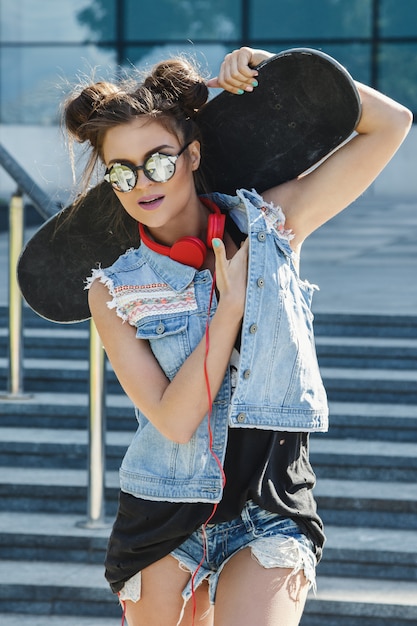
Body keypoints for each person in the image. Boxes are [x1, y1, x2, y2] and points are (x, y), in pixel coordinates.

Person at [63, 46, 412, 626]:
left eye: (159, 160)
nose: (142, 182)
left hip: (269, 507)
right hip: (164, 512)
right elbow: (175, 422)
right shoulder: (114, 291)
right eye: (122, 170)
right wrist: (230, 312)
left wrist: (279, 68)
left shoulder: (271, 226)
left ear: (192, 153)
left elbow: (390, 124)